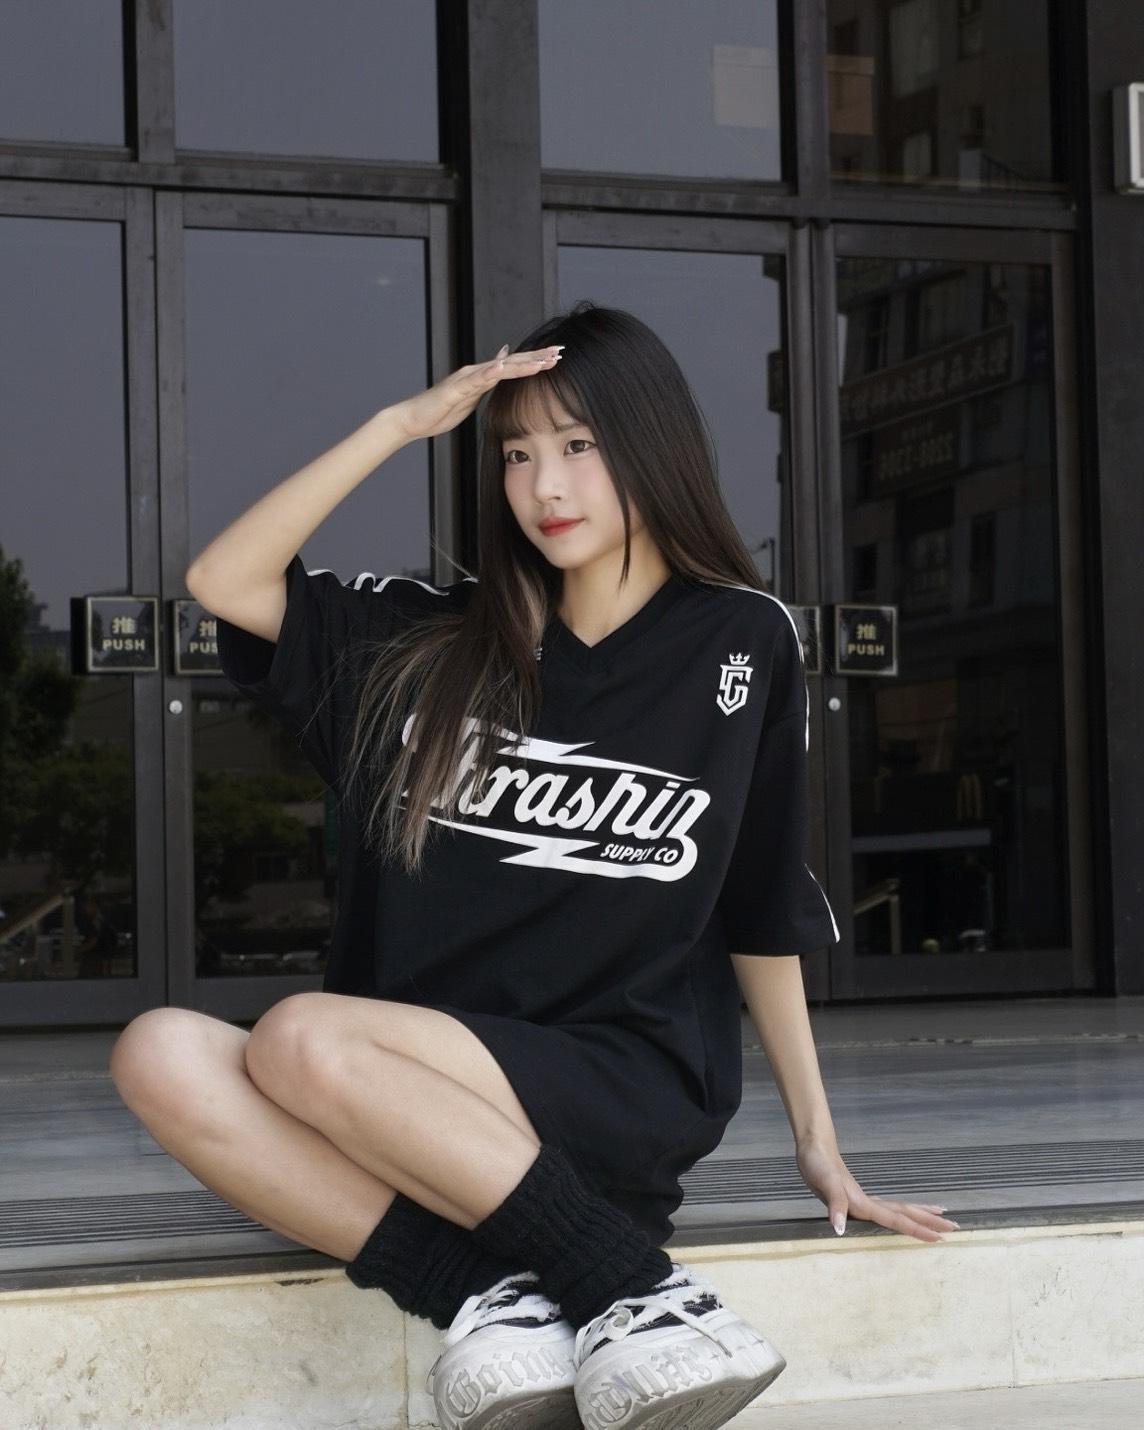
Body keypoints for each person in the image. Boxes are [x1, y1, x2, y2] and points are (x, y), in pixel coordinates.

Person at [108, 302, 958, 1430]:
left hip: (619, 1077)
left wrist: (818, 1141)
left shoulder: (742, 639)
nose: (543, 485)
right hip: (403, 1101)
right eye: (515, 453)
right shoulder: (428, 640)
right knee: (158, 1050)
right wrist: (399, 425)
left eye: (578, 445)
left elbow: (762, 901)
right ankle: (501, 1294)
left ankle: (637, 1287)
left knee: (302, 1034)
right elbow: (224, 578)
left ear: (651, 446)